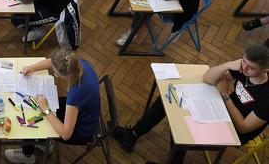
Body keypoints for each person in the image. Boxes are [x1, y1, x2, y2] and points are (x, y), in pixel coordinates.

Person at [112, 42, 269, 164]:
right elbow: (208, 78)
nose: (245, 68)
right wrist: (228, 65)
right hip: (222, 108)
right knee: (167, 99)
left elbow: (244, 127)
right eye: (244, 62)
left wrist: (224, 94)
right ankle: (133, 134)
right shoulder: (243, 68)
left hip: (234, 130)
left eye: (251, 68)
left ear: (265, 70)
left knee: (182, 129)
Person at [5, 51, 100, 164]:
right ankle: (43, 144)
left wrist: (46, 109)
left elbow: (66, 134)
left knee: (32, 122)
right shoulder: (78, 63)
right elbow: (53, 61)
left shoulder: (75, 92)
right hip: (85, 111)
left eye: (55, 73)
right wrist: (33, 67)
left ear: (62, 74)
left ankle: (27, 155)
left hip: (81, 130)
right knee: (36, 112)